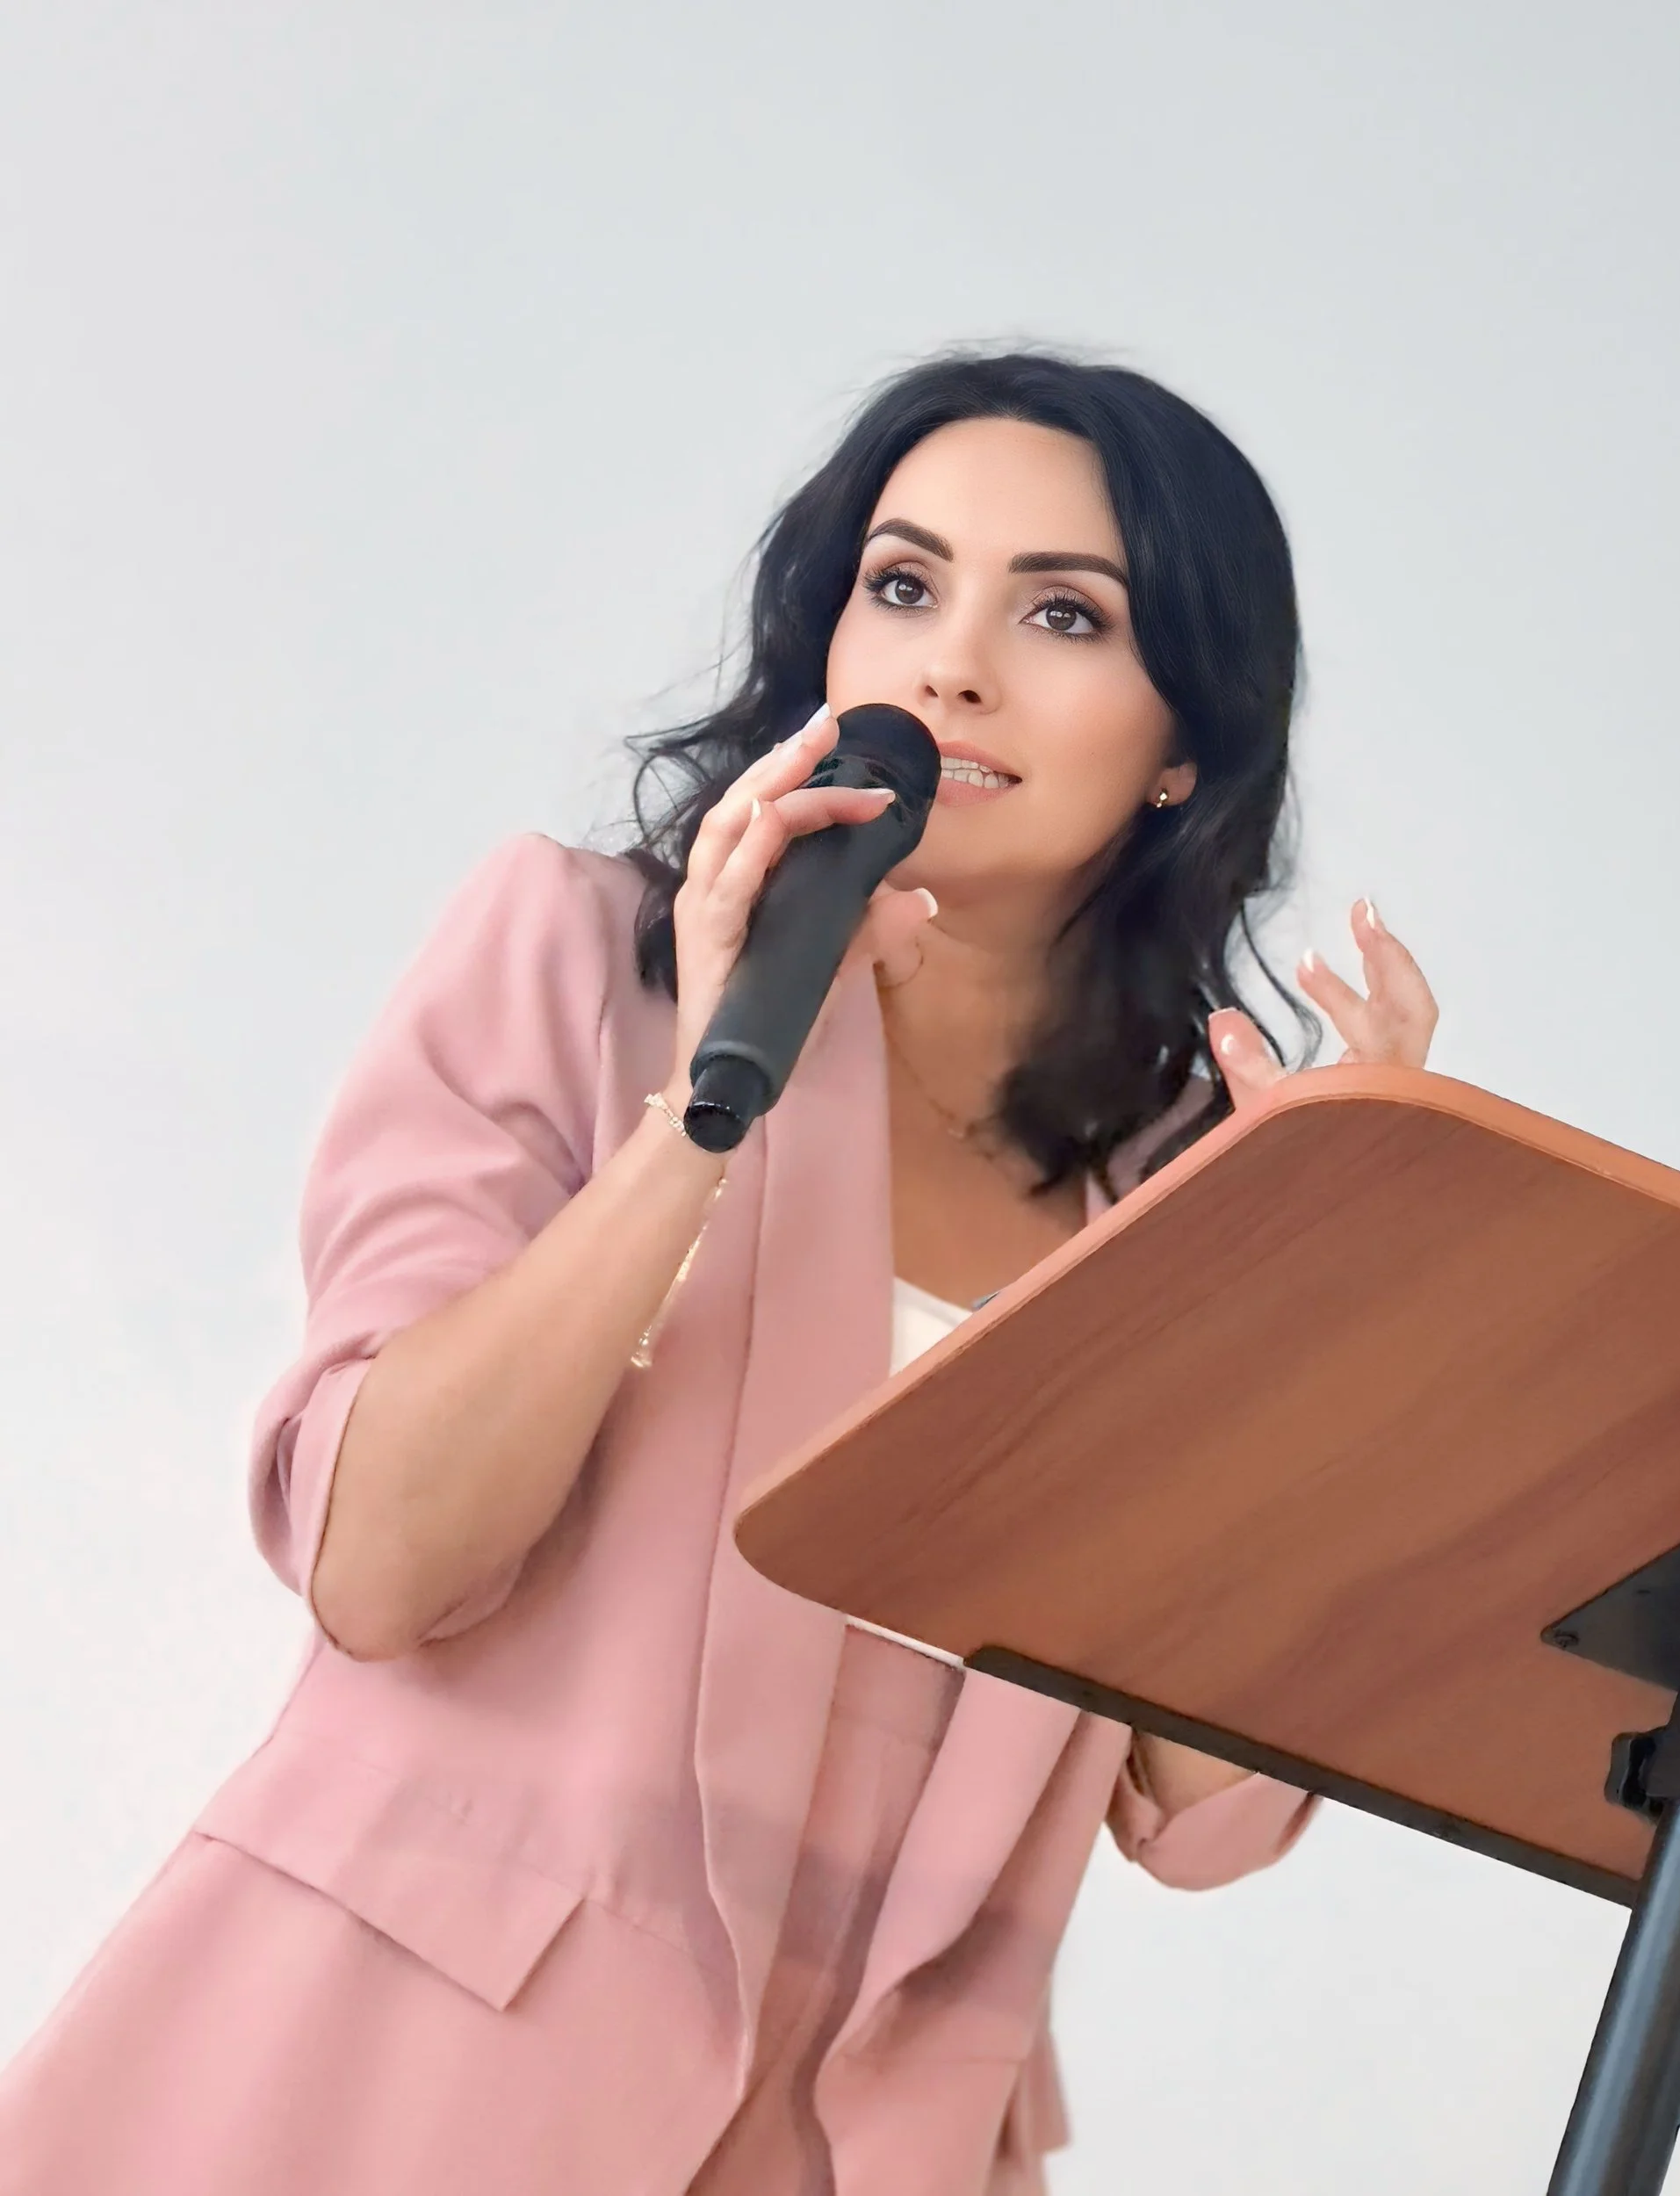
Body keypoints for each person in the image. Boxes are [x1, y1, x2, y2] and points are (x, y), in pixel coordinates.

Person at [0, 350, 1439, 2196]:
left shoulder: (1173, 1194)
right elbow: (379, 1561)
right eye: (901, 585)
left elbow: (1213, 1814)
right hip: (374, 2083)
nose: (952, 665)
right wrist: (701, 1112)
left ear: (1184, 745)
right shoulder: (577, 961)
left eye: (1064, 612)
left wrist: (1282, 1285)